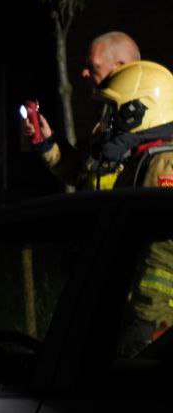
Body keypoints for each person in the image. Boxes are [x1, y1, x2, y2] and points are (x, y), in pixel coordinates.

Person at [84, 61, 173, 352]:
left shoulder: (165, 165)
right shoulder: (144, 159)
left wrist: (148, 321)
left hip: (157, 324)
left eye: (114, 112)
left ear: (137, 113)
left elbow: (163, 254)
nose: (106, 123)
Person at [24, 30, 141, 189]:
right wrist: (48, 141)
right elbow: (83, 173)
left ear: (120, 67)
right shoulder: (109, 115)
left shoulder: (148, 119)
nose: (84, 73)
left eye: (93, 66)